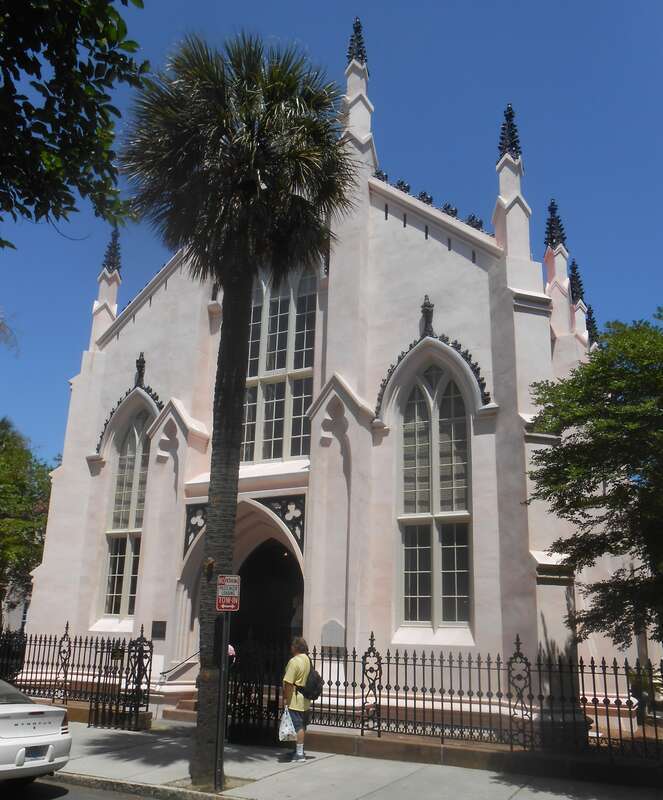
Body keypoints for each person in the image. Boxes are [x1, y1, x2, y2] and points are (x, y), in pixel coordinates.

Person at [282, 636, 311, 762]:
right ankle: (298, 750)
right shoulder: (307, 660)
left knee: (298, 726)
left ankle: (299, 754)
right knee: (302, 725)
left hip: (295, 699)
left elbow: (288, 683)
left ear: (295, 647)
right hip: (305, 698)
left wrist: (286, 699)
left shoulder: (294, 661)